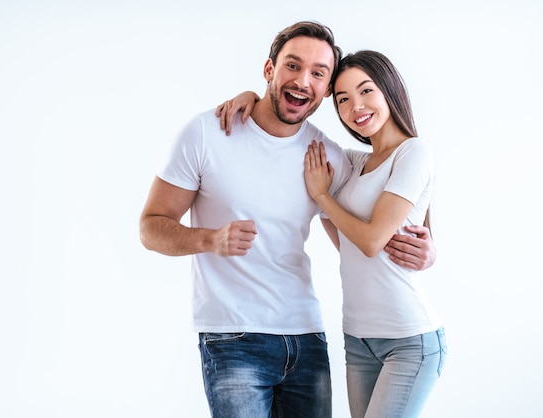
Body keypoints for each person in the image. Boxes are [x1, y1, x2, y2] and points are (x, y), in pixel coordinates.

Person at [140, 21, 435, 417]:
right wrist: (209, 240)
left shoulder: (326, 156)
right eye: (292, 66)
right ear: (269, 70)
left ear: (326, 89)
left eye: (318, 73)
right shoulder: (207, 133)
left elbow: (364, 229)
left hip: (307, 337)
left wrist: (428, 247)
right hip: (233, 337)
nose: (303, 80)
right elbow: (150, 227)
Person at [220, 50, 446, 418]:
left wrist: (323, 195)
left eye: (366, 91)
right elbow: (347, 241)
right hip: (358, 340)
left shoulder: (413, 152)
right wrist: (253, 97)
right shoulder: (356, 162)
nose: (355, 106)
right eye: (342, 99)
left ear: (389, 89)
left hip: (409, 339)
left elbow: (371, 242)